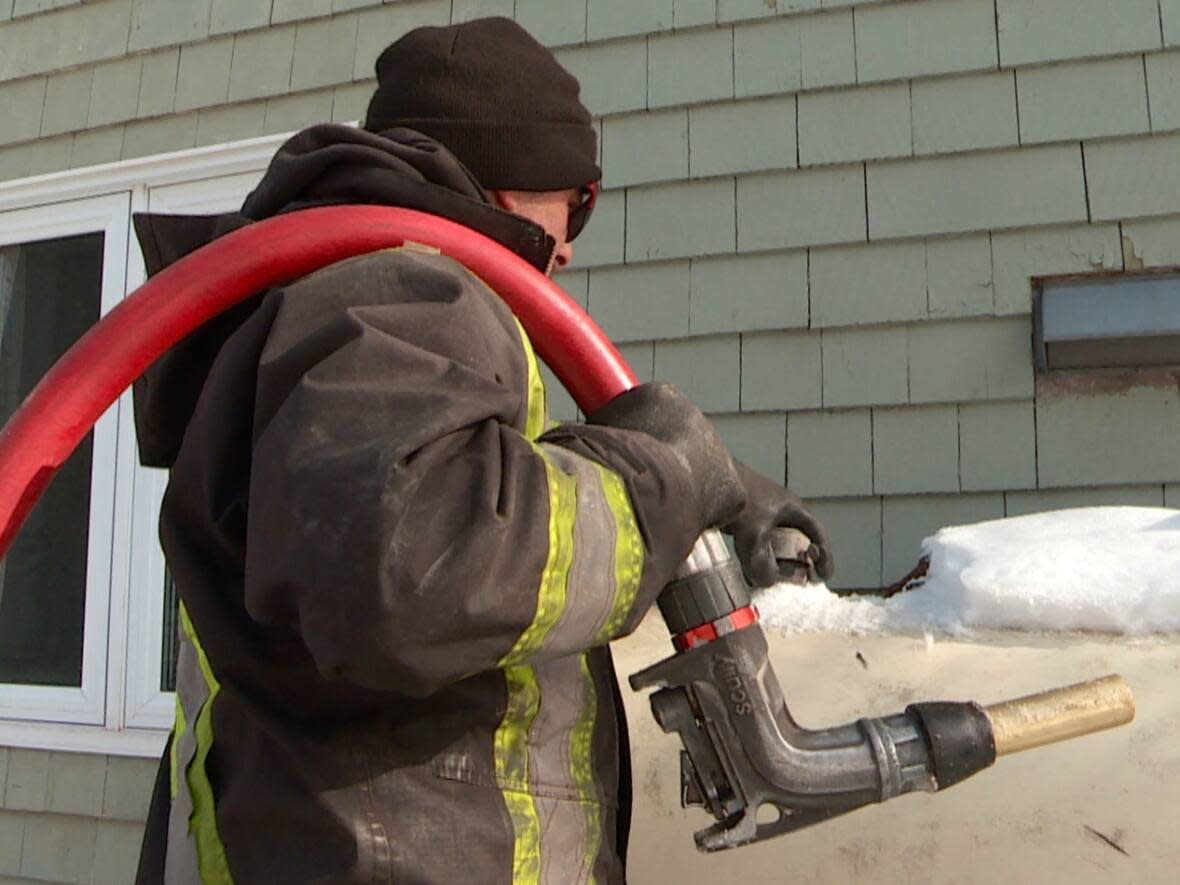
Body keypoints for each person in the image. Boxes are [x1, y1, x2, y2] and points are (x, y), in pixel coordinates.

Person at [132, 17, 833, 884]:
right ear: (507, 181)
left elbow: (435, 493)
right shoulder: (401, 290)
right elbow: (419, 560)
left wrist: (706, 490)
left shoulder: (344, 303)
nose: (571, 242)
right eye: (577, 200)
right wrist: (668, 480)